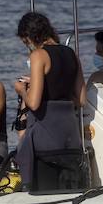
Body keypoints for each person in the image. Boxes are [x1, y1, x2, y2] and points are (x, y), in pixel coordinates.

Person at [12, 12, 86, 192]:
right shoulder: (71, 53)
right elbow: (81, 99)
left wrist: (22, 89)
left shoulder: (39, 55)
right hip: (70, 137)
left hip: (47, 139)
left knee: (45, 195)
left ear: (29, 37)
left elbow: (35, 103)